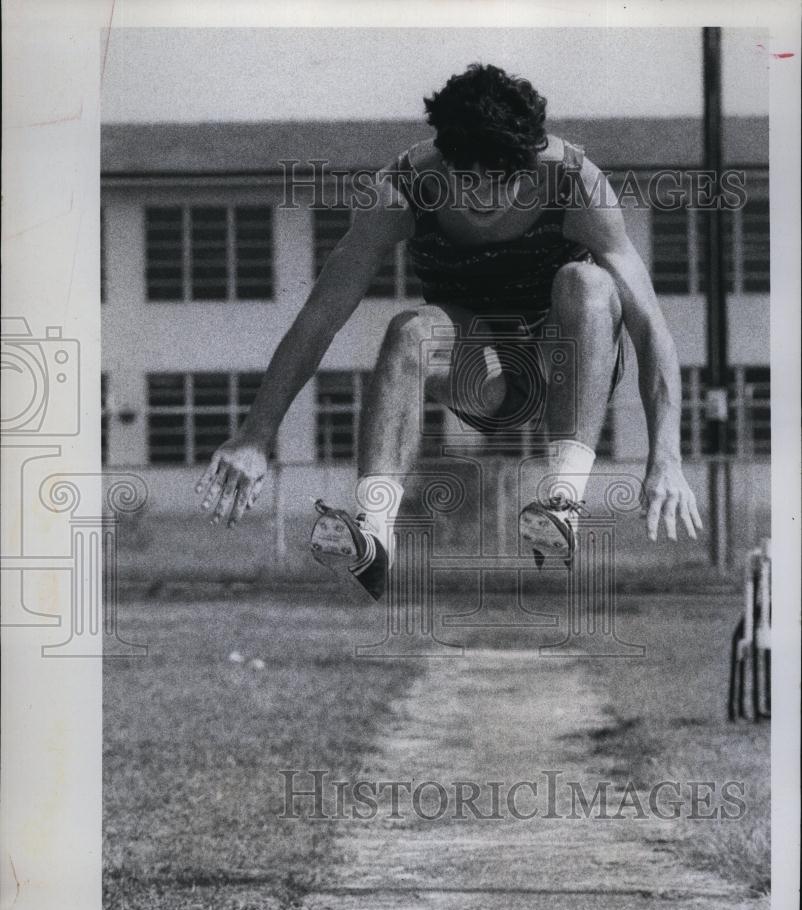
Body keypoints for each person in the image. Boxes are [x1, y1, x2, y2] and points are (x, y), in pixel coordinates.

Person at [196, 63, 702, 600]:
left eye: (502, 181)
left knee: (588, 283)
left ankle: (560, 504)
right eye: (467, 179)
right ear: (444, 161)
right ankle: (376, 531)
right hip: (480, 371)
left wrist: (665, 458)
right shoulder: (402, 190)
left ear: (530, 163)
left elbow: (651, 332)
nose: (484, 198)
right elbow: (320, 316)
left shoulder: (576, 183)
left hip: (565, 361)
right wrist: (255, 434)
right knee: (409, 330)